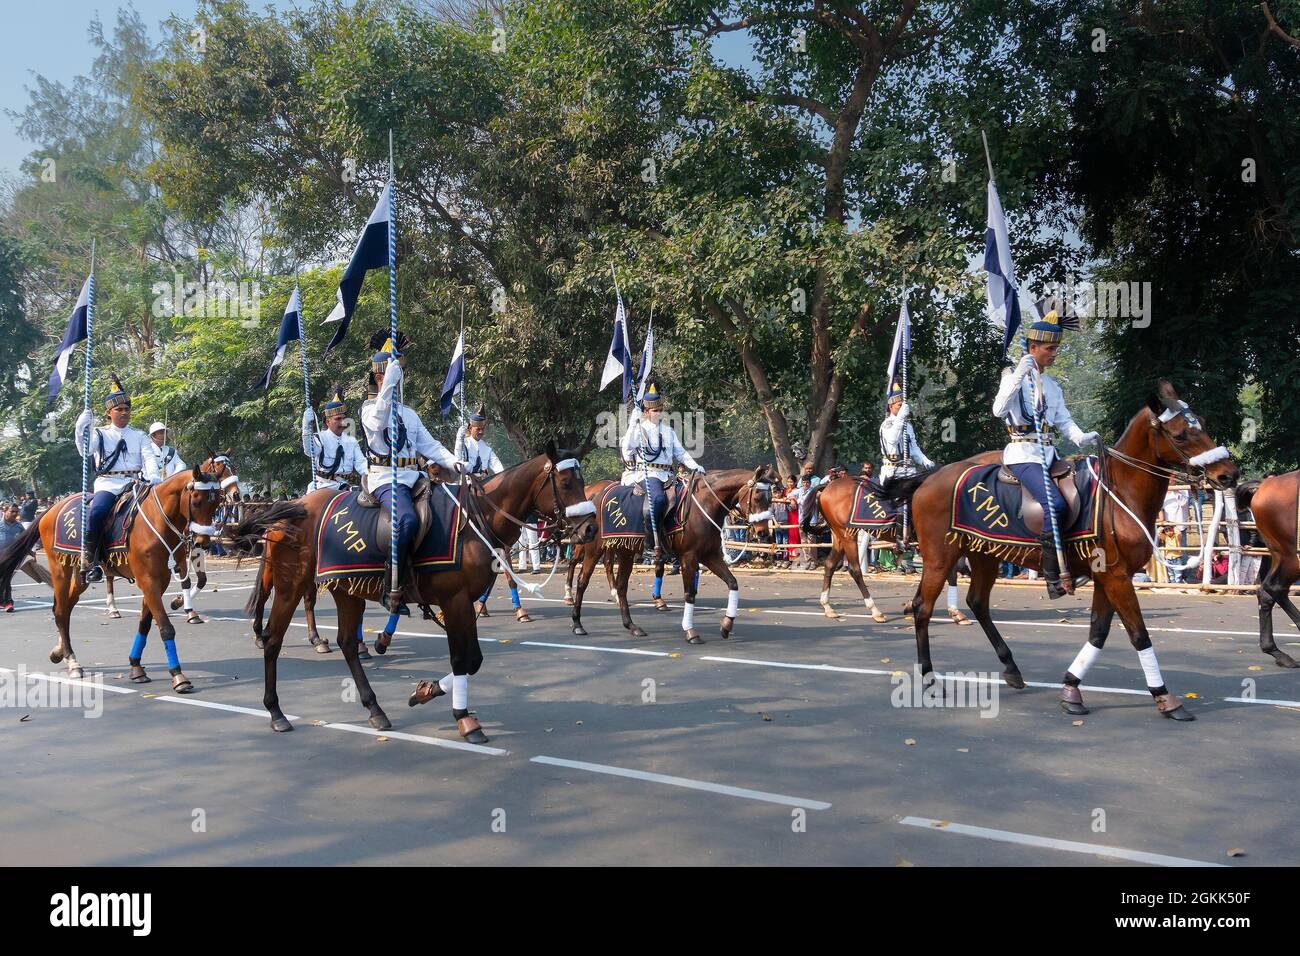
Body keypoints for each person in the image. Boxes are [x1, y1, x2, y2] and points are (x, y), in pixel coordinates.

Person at [991, 302, 1098, 598]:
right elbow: (999, 409)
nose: (1053, 354)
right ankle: (1052, 578)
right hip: (1023, 455)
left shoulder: (1052, 385)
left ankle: (1077, 560)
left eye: (1055, 349)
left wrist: (1081, 436)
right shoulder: (1013, 375)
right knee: (1055, 506)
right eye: (1049, 349)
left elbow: (1063, 420)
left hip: (1049, 455)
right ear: (1033, 347)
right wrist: (1017, 376)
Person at [359, 330, 463, 614]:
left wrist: (455, 462)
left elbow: (430, 445)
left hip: (415, 477)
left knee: (449, 510)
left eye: (399, 373)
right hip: (385, 478)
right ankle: (392, 586)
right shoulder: (368, 409)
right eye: (394, 374)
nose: (400, 377)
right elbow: (380, 418)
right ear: (379, 378)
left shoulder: (409, 414)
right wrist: (389, 384)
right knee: (404, 521)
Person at [456, 403, 529, 622]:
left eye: (483, 428)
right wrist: (458, 442)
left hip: (485, 491)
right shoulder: (464, 442)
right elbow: (457, 462)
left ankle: (492, 601)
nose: (480, 431)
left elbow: (500, 470)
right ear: (470, 427)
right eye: (477, 427)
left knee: (500, 555)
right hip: (468, 489)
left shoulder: (487, 448)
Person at [74, 374, 148, 584]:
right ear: (109, 413)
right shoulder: (99, 434)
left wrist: (152, 476)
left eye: (127, 409)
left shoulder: (140, 435)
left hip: (135, 483)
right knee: (97, 512)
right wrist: (81, 428)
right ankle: (92, 559)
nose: (124, 412)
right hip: (108, 483)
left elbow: (149, 457)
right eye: (119, 409)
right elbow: (84, 451)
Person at [620, 380, 704, 560]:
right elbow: (627, 448)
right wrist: (632, 425)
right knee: (658, 500)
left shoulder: (668, 431)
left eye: (660, 410)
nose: (658, 413)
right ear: (646, 412)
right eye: (654, 410)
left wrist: (695, 466)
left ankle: (676, 541)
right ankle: (649, 544)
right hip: (648, 473)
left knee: (688, 499)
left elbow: (680, 453)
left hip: (668, 475)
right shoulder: (639, 429)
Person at [142, 421, 204, 623]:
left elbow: (182, 466)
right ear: (152, 436)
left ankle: (193, 540)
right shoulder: (146, 448)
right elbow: (143, 466)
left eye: (163, 432)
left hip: (168, 490)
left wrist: (171, 477)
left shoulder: (171, 451)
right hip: (149, 487)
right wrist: (153, 477)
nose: (161, 436)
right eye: (158, 433)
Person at [303, 387, 366, 492]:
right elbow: (310, 451)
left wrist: (376, 474)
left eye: (343, 418)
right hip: (323, 487)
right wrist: (306, 425)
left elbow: (361, 464)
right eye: (337, 419)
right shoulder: (320, 438)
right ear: (328, 422)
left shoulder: (352, 441)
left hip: (345, 487)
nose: (342, 422)